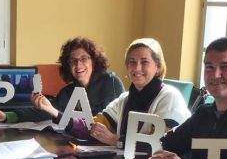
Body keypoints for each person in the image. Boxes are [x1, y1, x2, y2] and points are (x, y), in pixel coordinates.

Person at [56, 38, 190, 145]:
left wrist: (115, 140)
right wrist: (55, 113)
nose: (137, 68)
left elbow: (162, 145)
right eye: (132, 62)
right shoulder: (124, 99)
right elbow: (92, 126)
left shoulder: (170, 96)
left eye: (144, 62)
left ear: (158, 67)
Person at [0, 36, 124, 123]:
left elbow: (104, 121)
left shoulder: (111, 82)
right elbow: (46, 112)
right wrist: (8, 116)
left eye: (84, 59)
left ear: (93, 61)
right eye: (73, 61)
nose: (78, 65)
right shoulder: (67, 92)